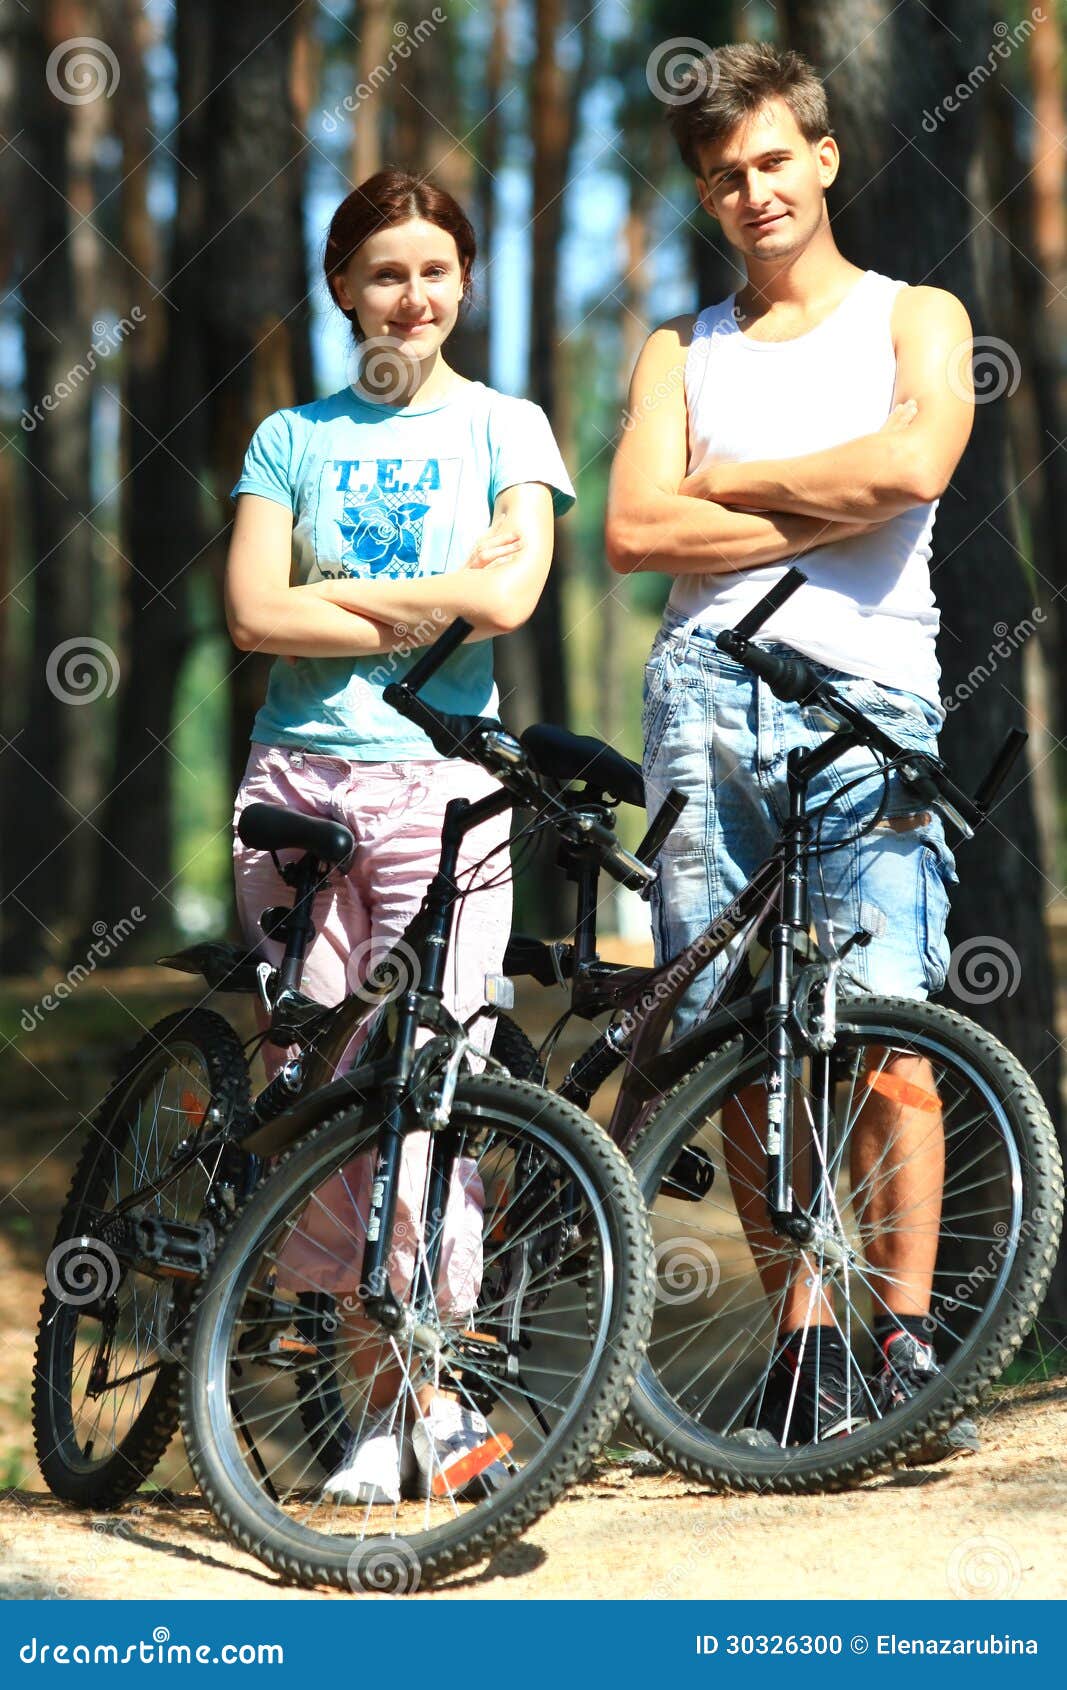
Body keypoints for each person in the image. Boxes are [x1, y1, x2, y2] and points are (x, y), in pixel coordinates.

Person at [606, 43, 978, 1455]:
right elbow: (640, 533)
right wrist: (835, 492)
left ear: (822, 159)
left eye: (771, 161)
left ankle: (908, 1339)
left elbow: (915, 468)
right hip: (702, 699)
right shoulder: (675, 349)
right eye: (721, 176)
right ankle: (803, 1345)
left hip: (868, 697)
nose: (750, 191)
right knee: (738, 1051)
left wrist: (736, 482)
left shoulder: (915, 316)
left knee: (887, 1033)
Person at [225, 168, 575, 1501]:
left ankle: (428, 1387)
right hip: (297, 783)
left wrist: (343, 588)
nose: (412, 294)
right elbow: (258, 613)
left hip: (445, 785)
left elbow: (518, 592)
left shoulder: (508, 424)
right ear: (343, 289)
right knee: (320, 1089)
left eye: (435, 268)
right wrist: (436, 595)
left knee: (437, 1079)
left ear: (465, 281)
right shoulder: (289, 437)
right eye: (384, 272)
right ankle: (379, 1410)